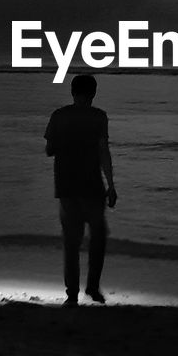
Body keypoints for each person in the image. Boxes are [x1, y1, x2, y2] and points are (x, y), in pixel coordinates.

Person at [44, 72, 117, 305]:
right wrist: (111, 185)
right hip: (92, 185)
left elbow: (49, 150)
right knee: (98, 237)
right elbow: (104, 151)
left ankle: (72, 294)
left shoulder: (59, 115)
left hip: (66, 185)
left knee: (71, 242)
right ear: (93, 93)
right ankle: (93, 287)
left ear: (72, 92)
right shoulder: (99, 117)